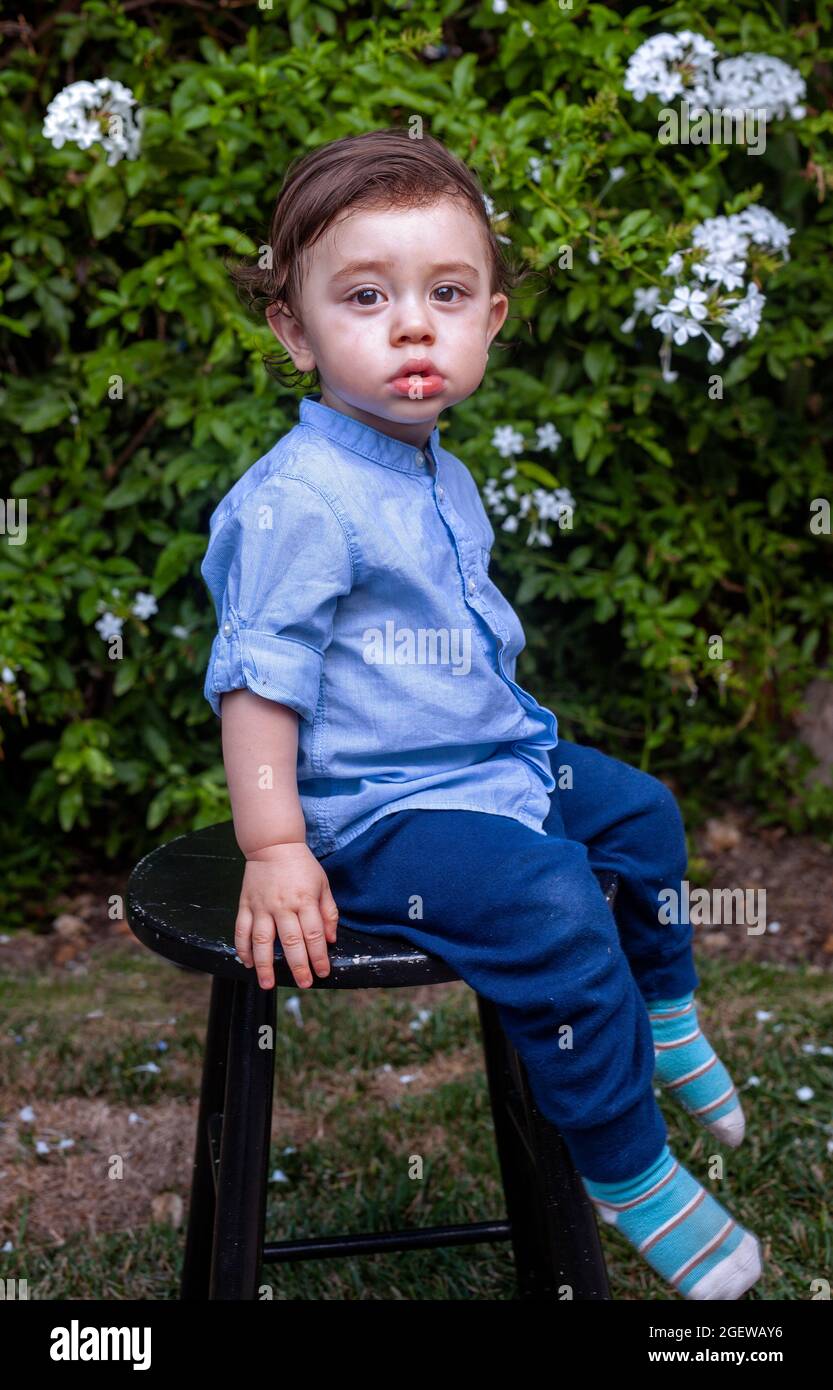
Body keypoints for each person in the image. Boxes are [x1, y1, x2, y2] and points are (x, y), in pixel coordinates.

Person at [200, 127, 763, 1300]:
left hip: (496, 759)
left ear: (488, 322)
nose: (412, 324)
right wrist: (276, 845)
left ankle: (659, 1017)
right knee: (551, 899)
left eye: (444, 295)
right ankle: (625, 1166)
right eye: (365, 296)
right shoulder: (298, 501)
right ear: (293, 331)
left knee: (644, 817)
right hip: (381, 815)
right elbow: (258, 677)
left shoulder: (433, 468)